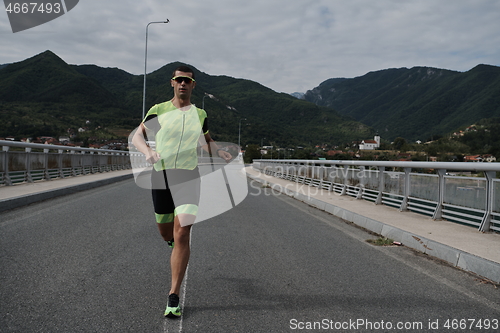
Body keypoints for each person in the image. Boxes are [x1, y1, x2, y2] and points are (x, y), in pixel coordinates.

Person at [132, 65, 231, 318]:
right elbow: (137, 137)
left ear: (193, 85)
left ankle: (173, 296)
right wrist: (148, 152)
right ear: (172, 83)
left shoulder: (200, 114)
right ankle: (169, 241)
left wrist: (218, 151)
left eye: (188, 80)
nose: (183, 84)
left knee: (183, 232)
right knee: (166, 231)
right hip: (161, 176)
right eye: (179, 80)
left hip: (188, 176)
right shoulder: (159, 110)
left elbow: (206, 139)